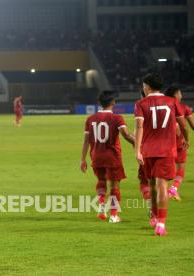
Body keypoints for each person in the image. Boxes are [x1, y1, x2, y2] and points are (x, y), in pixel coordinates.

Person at [134, 73, 189, 236]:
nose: (143, 88)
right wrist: (186, 139)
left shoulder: (141, 103)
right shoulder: (172, 102)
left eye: (144, 86)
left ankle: (155, 217)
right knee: (162, 185)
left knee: (151, 185)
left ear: (148, 87)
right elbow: (183, 125)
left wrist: (137, 150)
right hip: (166, 150)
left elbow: (139, 127)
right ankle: (161, 224)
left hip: (148, 150)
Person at [81, 91, 134, 223]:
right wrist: (137, 144)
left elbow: (86, 141)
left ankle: (102, 208)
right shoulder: (117, 118)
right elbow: (126, 135)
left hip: (96, 156)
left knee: (101, 181)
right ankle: (114, 215)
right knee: (115, 185)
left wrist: (83, 159)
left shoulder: (90, 119)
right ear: (113, 102)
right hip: (112, 157)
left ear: (100, 103)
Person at [164, 86, 194, 200]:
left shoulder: (162, 108)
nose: (181, 96)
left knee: (165, 168)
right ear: (176, 95)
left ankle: (164, 190)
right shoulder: (184, 108)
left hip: (165, 143)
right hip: (180, 142)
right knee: (180, 168)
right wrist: (187, 139)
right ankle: (173, 189)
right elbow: (191, 126)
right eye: (180, 93)